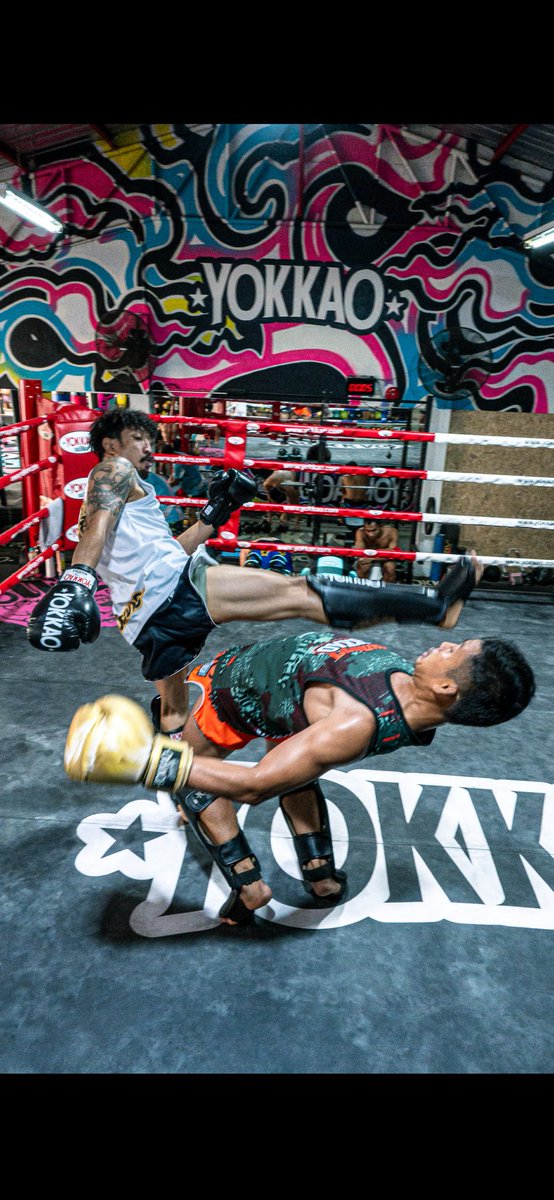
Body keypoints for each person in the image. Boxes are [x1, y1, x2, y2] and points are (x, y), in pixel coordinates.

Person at [28, 408, 479, 741]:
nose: (149, 447)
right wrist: (77, 579)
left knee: (173, 714)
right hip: (173, 589)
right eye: (137, 438)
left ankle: (185, 794)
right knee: (300, 592)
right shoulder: (113, 470)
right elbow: (102, 520)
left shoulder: (120, 496)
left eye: (149, 439)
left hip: (143, 624)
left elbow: (159, 548)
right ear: (111, 444)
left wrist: (214, 514)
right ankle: (434, 606)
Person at [65, 623, 536, 926]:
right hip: (286, 704)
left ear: (446, 686)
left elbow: (255, 786)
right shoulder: (399, 695)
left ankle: (249, 888)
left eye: (455, 650)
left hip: (236, 696)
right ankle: (322, 878)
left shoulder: (353, 724)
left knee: (196, 778)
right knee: (300, 769)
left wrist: (149, 760)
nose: (445, 643)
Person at [354, 517, 399, 583]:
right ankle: (362, 590)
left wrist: (372, 558)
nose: (370, 534)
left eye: (374, 530)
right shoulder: (360, 532)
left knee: (390, 568)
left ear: (380, 526)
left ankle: (386, 591)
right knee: (363, 566)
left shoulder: (392, 532)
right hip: (371, 557)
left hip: (385, 558)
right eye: (368, 531)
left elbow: (393, 552)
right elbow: (360, 552)